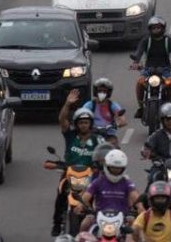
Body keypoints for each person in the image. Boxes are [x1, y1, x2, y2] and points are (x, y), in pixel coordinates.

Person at [52, 92, 106, 237]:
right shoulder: (71, 136)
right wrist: (67, 104)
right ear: (76, 124)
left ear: (91, 124)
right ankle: (57, 224)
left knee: (97, 197)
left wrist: (102, 165)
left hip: (90, 175)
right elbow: (62, 119)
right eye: (81, 122)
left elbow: (104, 155)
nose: (83, 125)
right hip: (70, 173)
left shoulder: (97, 140)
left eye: (86, 122)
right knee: (61, 195)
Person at [129, 17, 171, 119]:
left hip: (165, 69)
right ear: (150, 29)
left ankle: (169, 105)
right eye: (153, 28)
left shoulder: (168, 41)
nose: (156, 30)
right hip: (148, 69)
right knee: (140, 82)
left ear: (163, 28)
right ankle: (141, 107)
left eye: (158, 28)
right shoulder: (146, 40)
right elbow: (139, 52)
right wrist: (135, 62)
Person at [78, 149, 141, 228]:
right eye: (113, 168)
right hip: (99, 218)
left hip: (123, 219)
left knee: (136, 227)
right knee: (85, 224)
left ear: (123, 169)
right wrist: (81, 205)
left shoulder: (127, 182)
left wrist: (140, 207)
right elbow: (86, 196)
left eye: (119, 169)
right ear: (107, 167)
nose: (116, 171)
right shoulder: (98, 181)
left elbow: (135, 196)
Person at [82, 78, 127, 145]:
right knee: (83, 146)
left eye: (104, 91)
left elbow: (123, 120)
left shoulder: (113, 105)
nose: (102, 93)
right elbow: (81, 116)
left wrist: (116, 124)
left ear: (108, 93)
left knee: (114, 147)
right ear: (95, 92)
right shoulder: (89, 105)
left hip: (109, 135)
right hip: (92, 134)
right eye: (99, 91)